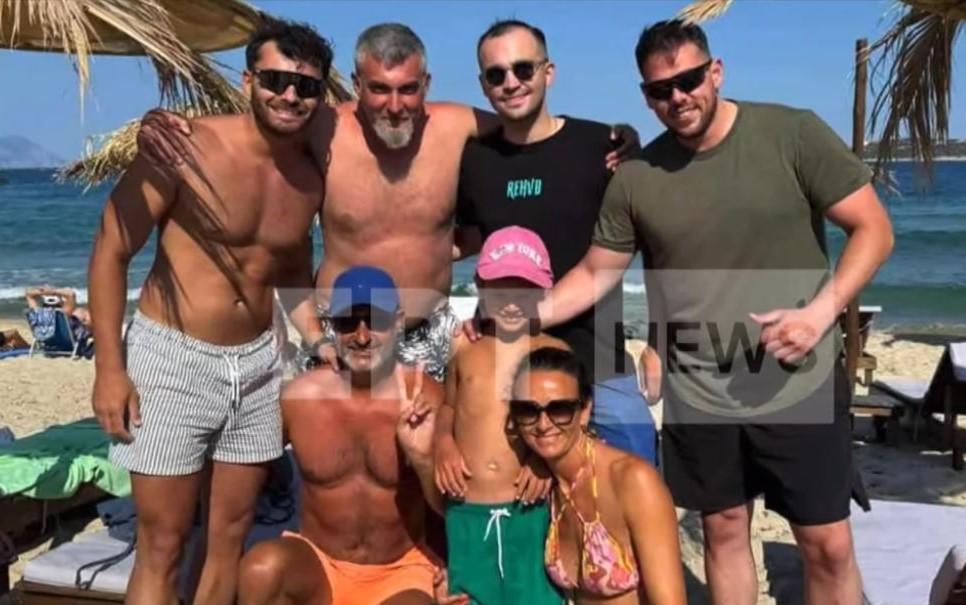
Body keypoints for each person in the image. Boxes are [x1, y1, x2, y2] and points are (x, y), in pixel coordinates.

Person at [536, 19, 894, 605]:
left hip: (798, 381)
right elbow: (597, 271)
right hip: (698, 388)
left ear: (716, 71)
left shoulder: (792, 133)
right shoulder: (637, 178)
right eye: (660, 90)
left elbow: (874, 230)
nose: (678, 97)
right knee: (724, 530)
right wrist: (522, 316)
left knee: (826, 543)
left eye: (690, 79)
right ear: (646, 97)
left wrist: (820, 314)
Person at [135, 22, 640, 382]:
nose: (394, 105)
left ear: (426, 85)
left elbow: (533, 129)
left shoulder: (458, 125)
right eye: (378, 89)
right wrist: (169, 125)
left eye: (407, 89)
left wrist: (616, 138)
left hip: (430, 335)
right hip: (343, 333)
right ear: (357, 85)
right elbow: (257, 131)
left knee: (436, 474)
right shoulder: (322, 127)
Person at [87, 17, 333, 605]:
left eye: (305, 86)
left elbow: (291, 270)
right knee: (164, 543)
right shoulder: (185, 147)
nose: (289, 95)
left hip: (258, 366)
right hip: (174, 357)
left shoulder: (308, 178)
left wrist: (320, 342)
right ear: (248, 81)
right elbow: (110, 250)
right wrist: (109, 369)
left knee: (228, 539)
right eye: (275, 80)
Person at [455, 19, 656, 464]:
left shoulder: (603, 146)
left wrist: (659, 342)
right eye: (496, 75)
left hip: (600, 366)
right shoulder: (475, 161)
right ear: (483, 85)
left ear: (549, 72)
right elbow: (466, 242)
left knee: (636, 485)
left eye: (523, 69)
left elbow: (659, 246)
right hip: (513, 368)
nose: (511, 82)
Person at [236, 265, 445, 605]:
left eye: (375, 321)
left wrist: (422, 461)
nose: (361, 336)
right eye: (348, 322)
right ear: (331, 325)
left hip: (400, 571)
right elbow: (239, 473)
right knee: (260, 571)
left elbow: (457, 507)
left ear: (397, 321)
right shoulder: (299, 399)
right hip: (319, 563)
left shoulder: (426, 397)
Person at [431, 226, 568, 605]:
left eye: (523, 292)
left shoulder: (555, 352)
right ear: (479, 286)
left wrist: (543, 464)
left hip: (529, 510)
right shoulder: (464, 348)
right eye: (500, 291)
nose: (510, 303)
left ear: (543, 291)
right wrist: (443, 441)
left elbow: (573, 426)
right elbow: (448, 406)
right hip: (466, 509)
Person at [498, 346, 684, 605]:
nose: (543, 424)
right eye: (528, 410)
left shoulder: (632, 480)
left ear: (585, 411)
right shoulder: (543, 483)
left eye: (560, 409)